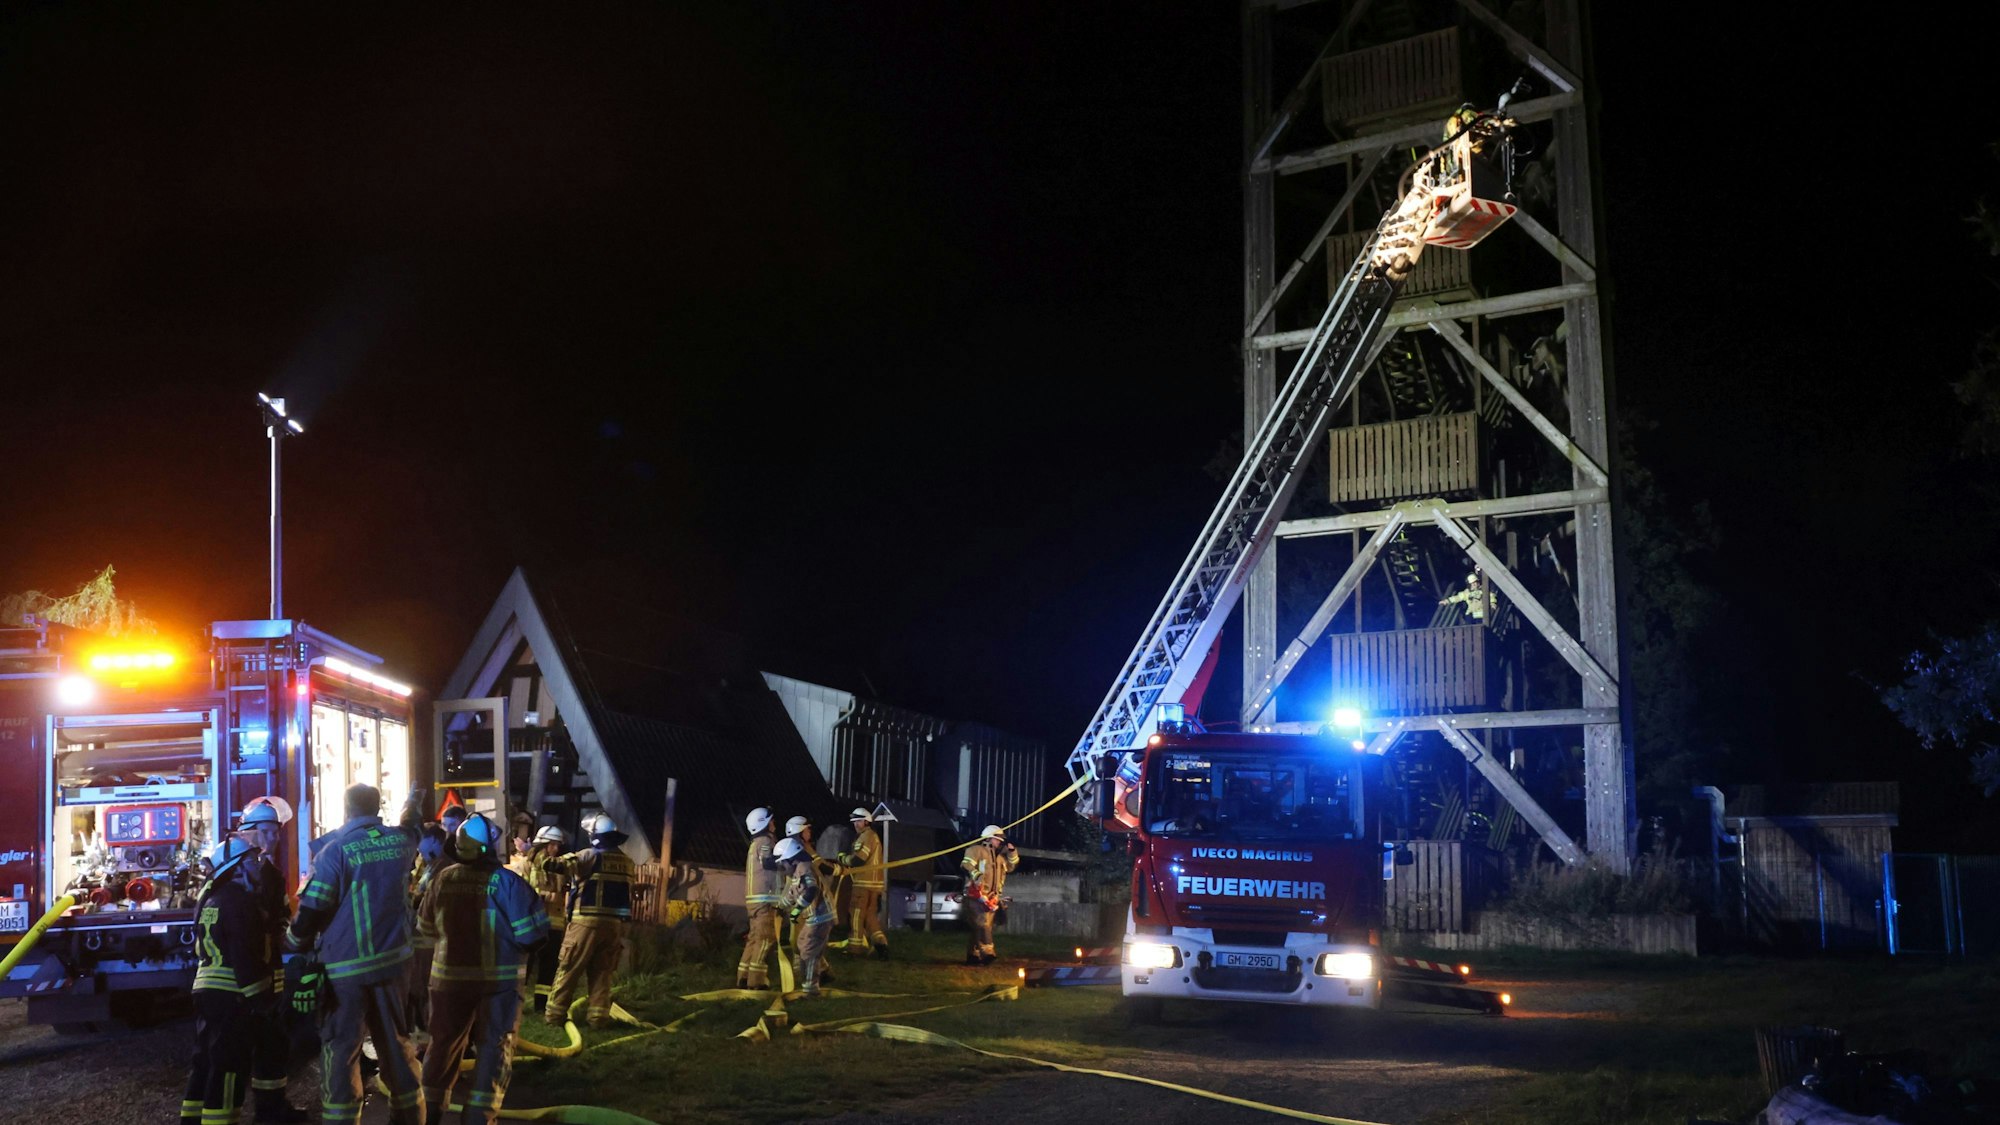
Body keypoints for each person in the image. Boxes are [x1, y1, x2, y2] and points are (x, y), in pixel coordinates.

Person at [289, 784, 426, 1125]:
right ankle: (410, 1117)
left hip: (345, 971)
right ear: (377, 808)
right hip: (394, 965)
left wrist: (294, 940)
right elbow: (413, 827)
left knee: (342, 1049)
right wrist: (413, 800)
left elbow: (314, 907)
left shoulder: (334, 852)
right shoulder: (401, 843)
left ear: (346, 809)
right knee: (396, 1043)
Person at [418, 813, 550, 1125]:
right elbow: (532, 936)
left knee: (442, 1048)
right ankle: (478, 1118)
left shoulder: (441, 880)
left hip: (447, 984)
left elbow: (425, 929)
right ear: (489, 846)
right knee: (493, 1050)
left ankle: (427, 1114)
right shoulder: (508, 883)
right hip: (497, 987)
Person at [182, 838, 272, 1125]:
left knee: (205, 1060)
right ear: (236, 868)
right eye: (252, 862)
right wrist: (260, 999)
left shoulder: (211, 899)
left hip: (205, 990)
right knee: (230, 1065)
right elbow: (244, 955)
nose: (258, 867)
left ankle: (191, 1119)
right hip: (231, 993)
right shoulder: (241, 902)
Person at [236, 799, 310, 1123]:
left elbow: (280, 917)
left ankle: (272, 1109)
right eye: (266, 831)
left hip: (267, 971)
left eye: (276, 832)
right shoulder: (235, 870)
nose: (273, 838)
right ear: (248, 833)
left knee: (273, 1043)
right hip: (240, 976)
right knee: (237, 1050)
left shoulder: (272, 875)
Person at [541, 813, 634, 1029]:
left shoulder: (590, 856)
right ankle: (598, 1019)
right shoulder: (627, 862)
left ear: (595, 835)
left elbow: (554, 865)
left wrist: (536, 851)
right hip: (614, 926)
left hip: (585, 923)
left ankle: (554, 1016)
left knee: (569, 968)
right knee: (603, 973)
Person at [409, 792, 469, 1036]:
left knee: (427, 990)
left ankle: (433, 1037)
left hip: (432, 942)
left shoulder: (442, 866)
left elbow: (427, 900)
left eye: (421, 843)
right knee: (420, 989)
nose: (418, 849)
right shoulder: (431, 865)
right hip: (424, 942)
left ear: (434, 841)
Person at [508, 825, 569, 1009]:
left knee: (548, 967)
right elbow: (519, 893)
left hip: (553, 925)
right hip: (531, 924)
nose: (556, 849)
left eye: (558, 845)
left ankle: (541, 1005)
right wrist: (546, 896)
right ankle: (516, 1002)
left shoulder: (558, 867)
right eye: (552, 844)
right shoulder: (525, 865)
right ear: (542, 844)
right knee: (524, 966)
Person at [774, 837, 833, 997]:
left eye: (783, 863)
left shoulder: (805, 869)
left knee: (808, 951)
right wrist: (780, 906)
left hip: (820, 916)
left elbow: (811, 890)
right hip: (816, 916)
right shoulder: (799, 870)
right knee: (802, 944)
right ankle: (823, 976)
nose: (782, 868)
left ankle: (811, 991)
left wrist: (796, 911)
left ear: (791, 859)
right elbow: (793, 894)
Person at [960, 824, 1018, 966]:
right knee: (983, 925)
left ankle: (973, 956)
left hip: (991, 898)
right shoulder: (975, 850)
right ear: (988, 838)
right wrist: (976, 875)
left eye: (1000, 840)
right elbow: (966, 865)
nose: (999, 842)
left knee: (980, 927)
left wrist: (1012, 852)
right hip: (975, 896)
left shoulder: (1000, 858)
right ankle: (988, 953)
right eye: (997, 839)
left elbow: (1011, 866)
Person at [735, 807, 781, 989]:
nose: (774, 824)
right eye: (771, 820)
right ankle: (757, 981)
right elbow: (768, 862)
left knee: (754, 939)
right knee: (765, 939)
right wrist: (787, 859)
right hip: (765, 900)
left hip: (755, 900)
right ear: (764, 824)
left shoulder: (755, 843)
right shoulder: (765, 841)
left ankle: (743, 977)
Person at [835, 808, 888, 959]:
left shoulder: (866, 837)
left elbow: (858, 860)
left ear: (866, 821)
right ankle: (881, 944)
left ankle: (855, 949)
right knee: (870, 917)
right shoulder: (873, 836)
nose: (855, 825)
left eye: (858, 821)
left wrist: (842, 858)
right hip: (874, 885)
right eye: (854, 822)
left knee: (856, 915)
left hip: (863, 884)